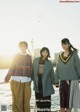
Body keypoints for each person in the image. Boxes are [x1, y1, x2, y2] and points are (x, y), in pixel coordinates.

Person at [4, 41, 32, 112]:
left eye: (24, 46)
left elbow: (31, 68)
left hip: (27, 81)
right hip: (16, 81)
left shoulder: (29, 57)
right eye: (21, 46)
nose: (23, 47)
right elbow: (12, 67)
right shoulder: (16, 56)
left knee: (26, 102)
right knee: (18, 101)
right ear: (19, 47)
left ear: (26, 47)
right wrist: (7, 78)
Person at [55, 38, 80, 112]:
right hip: (62, 82)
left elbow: (78, 66)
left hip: (72, 81)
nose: (64, 46)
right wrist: (56, 81)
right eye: (62, 44)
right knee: (62, 103)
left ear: (69, 44)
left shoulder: (74, 54)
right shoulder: (60, 55)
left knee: (69, 104)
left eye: (65, 44)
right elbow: (57, 68)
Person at [32, 47, 55, 112]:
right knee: (39, 102)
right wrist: (31, 79)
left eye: (46, 52)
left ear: (48, 53)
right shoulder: (36, 60)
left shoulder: (49, 63)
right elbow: (32, 71)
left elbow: (52, 74)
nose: (45, 54)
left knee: (47, 102)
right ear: (41, 52)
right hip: (38, 83)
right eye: (43, 52)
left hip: (47, 84)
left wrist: (55, 82)